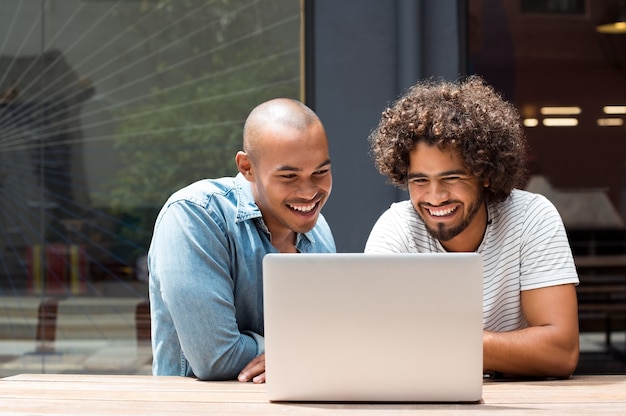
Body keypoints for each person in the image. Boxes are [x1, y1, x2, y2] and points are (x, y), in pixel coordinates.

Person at [364, 75, 580, 378]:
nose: (435, 197)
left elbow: (561, 352)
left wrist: (441, 343)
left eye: (452, 178)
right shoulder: (397, 228)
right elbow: (374, 345)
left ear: (485, 174)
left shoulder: (532, 218)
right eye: (420, 181)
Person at [148, 98, 335, 383]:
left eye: (320, 172)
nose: (309, 192)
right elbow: (216, 358)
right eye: (289, 176)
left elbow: (329, 344)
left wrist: (314, 352)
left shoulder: (319, 231)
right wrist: (304, 352)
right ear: (247, 167)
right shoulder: (195, 215)